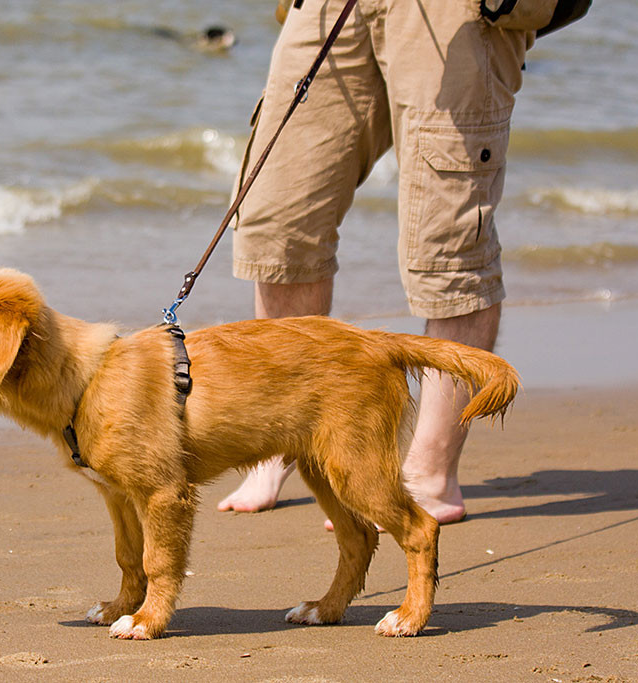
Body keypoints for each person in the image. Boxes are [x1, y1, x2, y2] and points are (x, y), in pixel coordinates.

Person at [218, 0, 532, 523]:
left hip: (452, 11)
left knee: (448, 248)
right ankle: (280, 440)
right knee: (276, 220)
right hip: (330, 7)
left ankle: (429, 470)